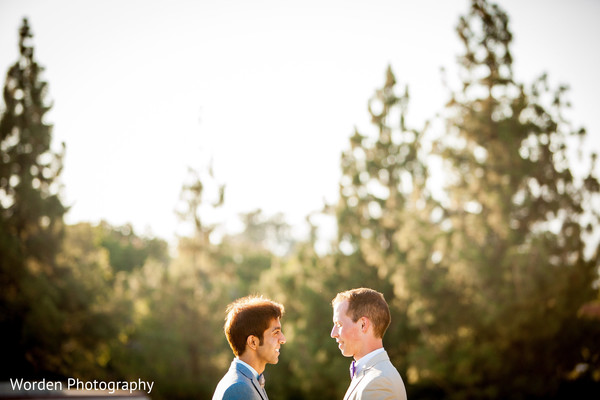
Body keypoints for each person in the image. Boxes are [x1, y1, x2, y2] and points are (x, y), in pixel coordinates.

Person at [331, 288, 407, 400]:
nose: (333, 334)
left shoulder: (378, 383)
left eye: (339, 324)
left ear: (363, 324)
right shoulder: (373, 376)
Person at [212, 295, 286, 400]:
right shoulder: (239, 388)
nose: (283, 339)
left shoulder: (248, 381)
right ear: (253, 342)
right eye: (276, 332)